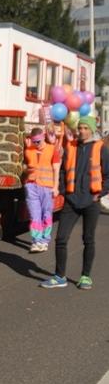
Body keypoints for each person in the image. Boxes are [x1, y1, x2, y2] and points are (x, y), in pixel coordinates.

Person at [40, 116, 109, 289]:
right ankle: (59, 276)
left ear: (92, 130)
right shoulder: (70, 147)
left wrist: (99, 194)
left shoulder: (101, 148)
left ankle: (85, 276)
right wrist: (64, 191)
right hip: (71, 200)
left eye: (86, 128)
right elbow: (63, 171)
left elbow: (108, 175)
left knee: (88, 239)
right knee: (61, 238)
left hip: (91, 201)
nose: (82, 131)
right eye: (80, 128)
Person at [24, 127, 61, 253]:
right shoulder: (29, 149)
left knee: (46, 215)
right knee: (35, 216)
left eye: (38, 141)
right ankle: (36, 241)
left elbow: (56, 170)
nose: (36, 144)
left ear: (43, 136)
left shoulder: (52, 150)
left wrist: (56, 187)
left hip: (47, 187)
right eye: (34, 142)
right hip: (31, 185)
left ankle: (45, 241)